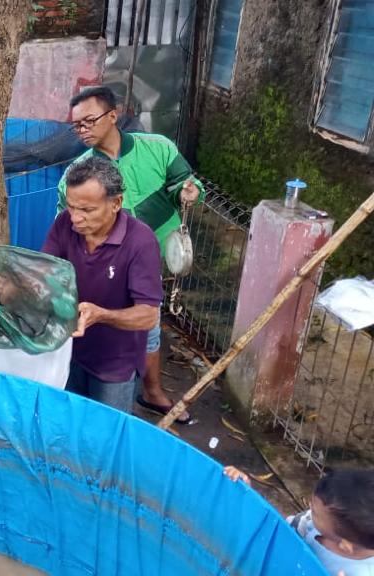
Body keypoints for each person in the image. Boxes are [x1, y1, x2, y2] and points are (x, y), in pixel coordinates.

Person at [57, 86, 202, 424]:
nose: (82, 130)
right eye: (76, 125)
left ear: (113, 115)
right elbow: (63, 230)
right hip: (106, 271)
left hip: (157, 261)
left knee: (148, 326)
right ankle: (119, 400)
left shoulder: (159, 149)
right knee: (113, 332)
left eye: (89, 121)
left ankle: (151, 392)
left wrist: (190, 193)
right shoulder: (77, 175)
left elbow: (187, 185)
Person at [43, 156, 163, 413]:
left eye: (87, 210)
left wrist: (101, 315)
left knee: (105, 439)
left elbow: (148, 315)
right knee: (69, 423)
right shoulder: (64, 223)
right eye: (72, 206)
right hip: (68, 351)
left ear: (116, 203)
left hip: (115, 364)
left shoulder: (141, 242)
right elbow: (46, 271)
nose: (76, 218)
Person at [225, 466, 374, 576]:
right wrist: (251, 495)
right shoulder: (312, 524)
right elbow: (282, 526)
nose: (309, 508)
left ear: (345, 545)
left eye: (314, 512)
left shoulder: (360, 572)